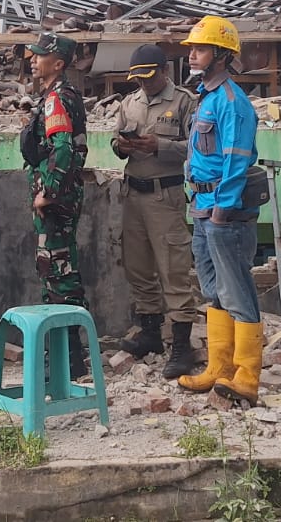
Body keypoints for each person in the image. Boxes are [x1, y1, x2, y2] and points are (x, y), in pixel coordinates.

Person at [175, 16, 265, 406]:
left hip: (223, 212)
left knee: (237, 291)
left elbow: (237, 159)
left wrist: (222, 209)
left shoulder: (232, 102)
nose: (192, 54)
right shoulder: (206, 97)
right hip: (202, 207)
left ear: (222, 55)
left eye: (200, 48)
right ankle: (219, 368)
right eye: (193, 48)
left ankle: (246, 377)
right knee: (213, 291)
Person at [111, 44, 198, 378]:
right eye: (139, 79)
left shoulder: (184, 102)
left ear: (164, 71)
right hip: (133, 193)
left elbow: (196, 147)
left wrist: (159, 146)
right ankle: (150, 332)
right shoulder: (129, 103)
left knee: (173, 269)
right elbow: (116, 144)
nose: (144, 84)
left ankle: (181, 346)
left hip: (166, 195)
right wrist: (123, 145)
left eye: (149, 77)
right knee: (138, 265)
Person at [20, 32, 91, 379]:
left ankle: (68, 359)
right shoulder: (58, 96)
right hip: (63, 196)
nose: (32, 60)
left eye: (39, 55)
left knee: (58, 272)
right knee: (57, 271)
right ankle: (65, 354)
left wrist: (47, 192)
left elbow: (62, 148)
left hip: (57, 200)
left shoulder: (57, 99)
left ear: (58, 63)